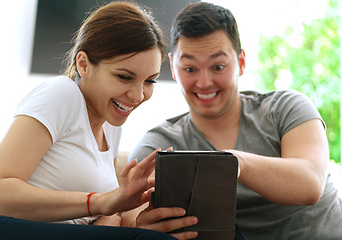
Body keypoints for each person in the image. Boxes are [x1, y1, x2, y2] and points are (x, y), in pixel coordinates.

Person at [0, 1, 198, 240]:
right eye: (124, 77)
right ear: (83, 64)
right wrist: (102, 203)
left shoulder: (110, 124)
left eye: (149, 80)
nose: (138, 95)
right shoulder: (63, 93)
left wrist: (120, 216)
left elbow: (92, 218)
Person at [128, 2, 342, 240]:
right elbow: (129, 215)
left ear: (241, 62)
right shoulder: (159, 143)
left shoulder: (286, 107)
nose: (204, 82)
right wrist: (142, 229)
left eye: (218, 66)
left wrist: (234, 162)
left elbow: (310, 183)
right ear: (174, 68)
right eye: (190, 69)